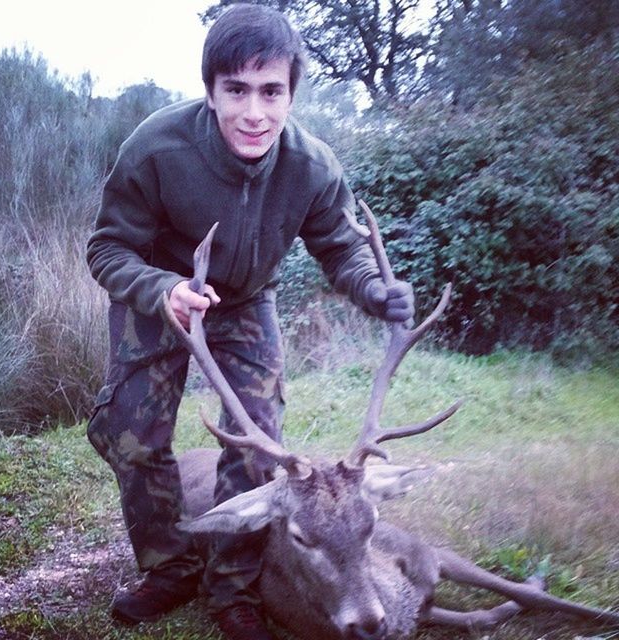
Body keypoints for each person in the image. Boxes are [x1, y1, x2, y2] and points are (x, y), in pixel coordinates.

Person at [86, 4, 414, 639]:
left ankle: (231, 590)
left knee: (261, 447)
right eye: (236, 90)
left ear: (292, 94)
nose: (254, 113)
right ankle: (169, 568)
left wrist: (376, 290)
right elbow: (106, 248)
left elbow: (340, 248)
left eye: (272, 91)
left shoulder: (312, 167)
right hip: (159, 295)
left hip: (245, 303)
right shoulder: (155, 148)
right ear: (210, 91)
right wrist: (164, 290)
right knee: (132, 436)